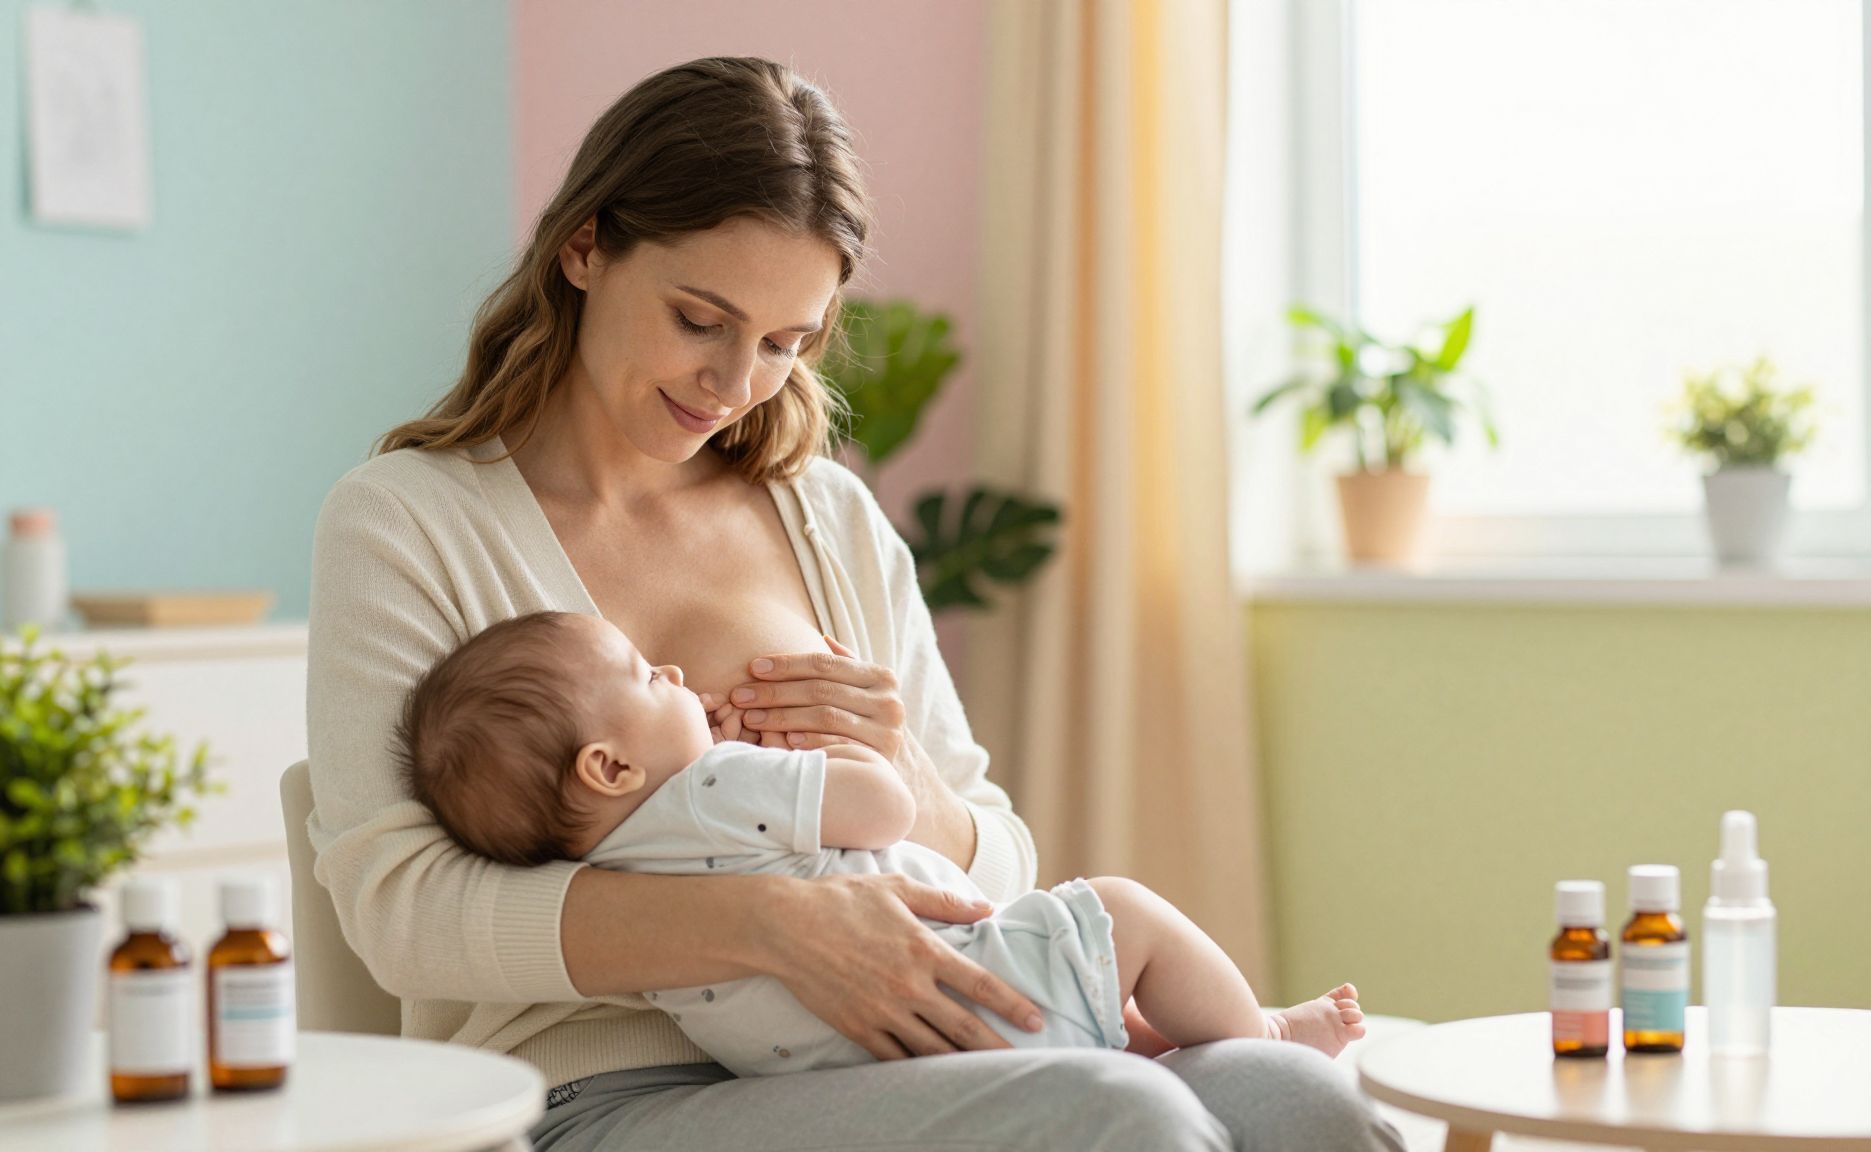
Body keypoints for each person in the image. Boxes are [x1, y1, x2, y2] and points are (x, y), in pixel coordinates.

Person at [306, 55, 1407, 1151]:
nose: (734, 383)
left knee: (1303, 1101)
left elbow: (999, 859)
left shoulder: (826, 518)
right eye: (700, 320)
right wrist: (773, 930)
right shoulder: (407, 523)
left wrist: (916, 791)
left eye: (784, 345)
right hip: (605, 1097)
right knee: (1120, 1117)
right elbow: (407, 915)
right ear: (583, 247)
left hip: (914, 1052)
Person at [395, 610, 1370, 1077]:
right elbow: (884, 813)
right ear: (608, 768)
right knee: (1122, 911)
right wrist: (840, 752)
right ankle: (1265, 1033)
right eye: (649, 678)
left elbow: (982, 841)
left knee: (1094, 995)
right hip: (960, 980)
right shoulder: (719, 787)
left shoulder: (603, 875)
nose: (676, 670)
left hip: (850, 1063)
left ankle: (1153, 1041)